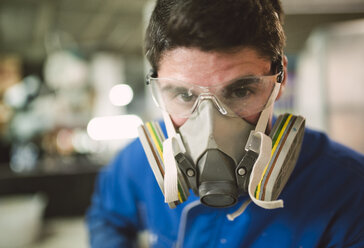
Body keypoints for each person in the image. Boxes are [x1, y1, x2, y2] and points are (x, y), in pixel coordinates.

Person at [86, 0, 364, 247]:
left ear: (280, 78)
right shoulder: (137, 164)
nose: (211, 129)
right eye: (184, 94)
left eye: (241, 91)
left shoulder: (350, 194)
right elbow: (107, 218)